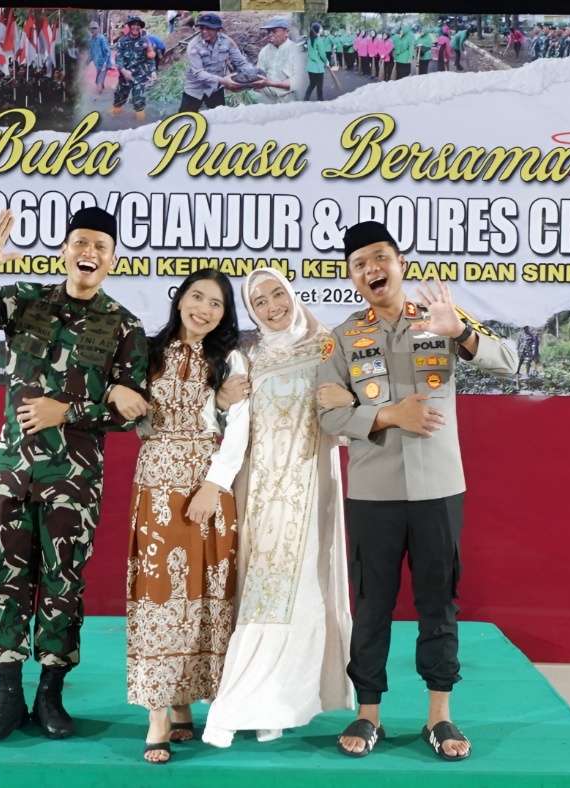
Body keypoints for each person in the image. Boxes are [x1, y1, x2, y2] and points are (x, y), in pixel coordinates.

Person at [0, 207, 151, 743]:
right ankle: (7, 695)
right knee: (4, 581)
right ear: (64, 251)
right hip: (13, 472)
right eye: (80, 242)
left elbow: (132, 410)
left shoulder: (124, 326)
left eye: (101, 246)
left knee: (63, 585)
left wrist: (67, 411)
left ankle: (51, 694)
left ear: (112, 258)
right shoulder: (25, 300)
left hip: (73, 483)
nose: (89, 253)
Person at [317, 221, 517, 762]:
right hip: (373, 492)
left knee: (438, 602)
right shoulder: (342, 338)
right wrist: (387, 415)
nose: (371, 269)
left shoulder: (440, 316)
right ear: (352, 277)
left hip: (439, 489)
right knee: (371, 604)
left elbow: (510, 362)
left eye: (380, 257)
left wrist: (462, 332)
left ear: (400, 262)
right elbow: (327, 412)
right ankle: (368, 713)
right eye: (359, 264)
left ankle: (439, 716)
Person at [198, 268, 357, 748]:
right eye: (259, 301)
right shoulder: (246, 353)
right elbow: (227, 421)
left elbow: (345, 420)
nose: (272, 307)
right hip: (259, 489)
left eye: (277, 294)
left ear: (292, 294)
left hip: (312, 488)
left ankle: (277, 704)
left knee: (303, 591)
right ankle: (251, 702)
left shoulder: (327, 345)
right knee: (261, 591)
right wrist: (219, 401)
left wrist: (351, 401)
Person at [127, 268, 249, 764]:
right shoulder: (146, 352)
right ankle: (160, 712)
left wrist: (213, 485)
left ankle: (191, 702)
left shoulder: (231, 357)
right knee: (159, 593)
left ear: (224, 315)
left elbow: (239, 427)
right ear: (179, 300)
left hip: (210, 481)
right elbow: (137, 420)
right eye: (197, 297)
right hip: (157, 482)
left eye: (216, 304)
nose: (204, 309)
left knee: (205, 593)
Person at [179, 12, 252, 114]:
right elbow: (198, 73)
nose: (204, 31)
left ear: (218, 29)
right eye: (202, 28)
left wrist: (253, 75)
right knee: (185, 118)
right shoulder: (194, 46)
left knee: (220, 116)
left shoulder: (227, 42)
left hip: (215, 88)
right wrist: (222, 80)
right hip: (195, 89)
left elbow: (241, 62)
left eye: (209, 28)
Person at [111, 16, 156, 120]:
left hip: (140, 77)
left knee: (139, 103)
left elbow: (150, 59)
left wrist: (153, 71)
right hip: (124, 77)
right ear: (130, 26)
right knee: (119, 100)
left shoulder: (146, 41)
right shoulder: (122, 41)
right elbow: (118, 59)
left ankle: (139, 125)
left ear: (140, 27)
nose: (136, 27)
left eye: (138, 25)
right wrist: (123, 70)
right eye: (133, 24)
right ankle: (114, 121)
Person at [252, 16, 305, 104]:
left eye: (274, 31)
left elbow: (297, 81)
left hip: (288, 99)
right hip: (267, 99)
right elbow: (260, 73)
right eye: (268, 31)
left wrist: (269, 83)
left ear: (287, 32)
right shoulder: (264, 51)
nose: (270, 34)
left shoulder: (295, 51)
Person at [304, 22, 330, 101]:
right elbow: (322, 54)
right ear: (318, 30)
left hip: (310, 67)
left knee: (312, 84)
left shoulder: (309, 39)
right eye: (321, 28)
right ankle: (320, 100)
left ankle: (305, 99)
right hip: (318, 67)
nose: (322, 29)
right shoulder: (319, 40)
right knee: (319, 86)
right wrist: (326, 61)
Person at [88, 22, 112, 95]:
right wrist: (86, 63)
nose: (94, 30)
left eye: (95, 28)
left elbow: (107, 51)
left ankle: (98, 96)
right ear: (90, 30)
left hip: (104, 63)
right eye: (92, 28)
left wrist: (105, 62)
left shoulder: (101, 38)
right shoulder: (91, 40)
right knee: (98, 81)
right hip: (97, 64)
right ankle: (102, 90)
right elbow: (91, 53)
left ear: (98, 29)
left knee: (99, 81)